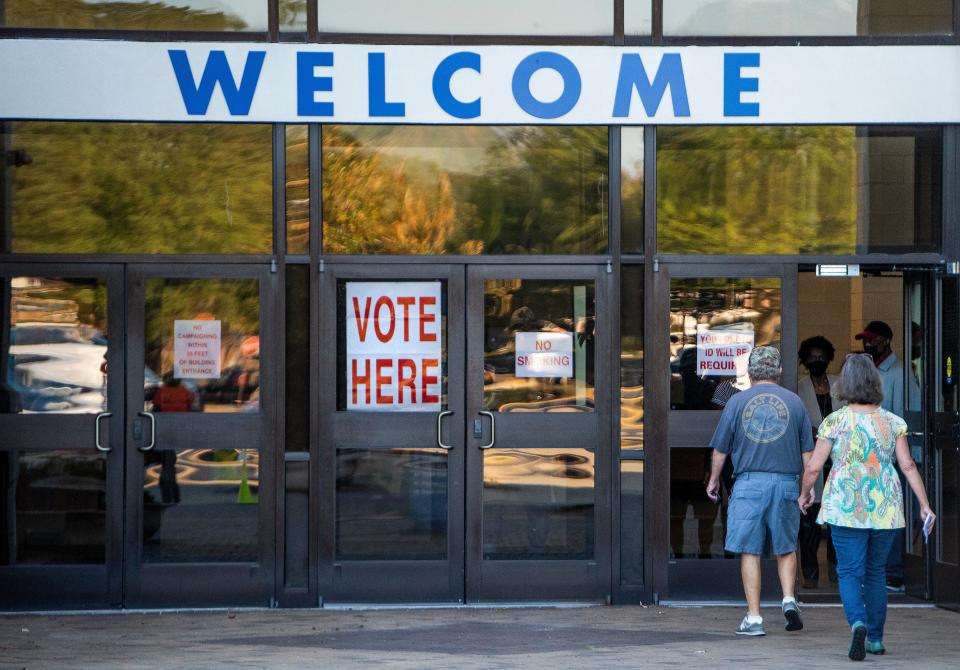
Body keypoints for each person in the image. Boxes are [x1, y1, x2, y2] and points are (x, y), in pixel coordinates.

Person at [800, 353, 935, 661]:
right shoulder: (892, 422)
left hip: (845, 503)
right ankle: (875, 638)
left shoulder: (834, 421)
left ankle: (857, 622)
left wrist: (805, 494)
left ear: (844, 384)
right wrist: (924, 505)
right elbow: (908, 465)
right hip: (884, 505)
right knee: (875, 572)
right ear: (876, 383)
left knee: (848, 570)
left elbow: (814, 466)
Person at [706, 346, 814, 636]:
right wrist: (808, 488)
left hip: (749, 484)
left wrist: (714, 479)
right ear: (778, 371)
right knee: (786, 546)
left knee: (750, 550)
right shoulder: (795, 403)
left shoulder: (737, 402)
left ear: (750, 372)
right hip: (786, 482)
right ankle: (789, 598)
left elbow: (721, 448)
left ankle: (754, 618)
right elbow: (808, 453)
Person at [796, 336, 841, 588]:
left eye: (821, 357)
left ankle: (836, 569)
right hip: (812, 456)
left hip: (837, 458)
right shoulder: (800, 387)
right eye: (812, 357)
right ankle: (810, 573)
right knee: (810, 521)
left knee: (835, 519)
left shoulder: (838, 384)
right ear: (805, 360)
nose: (817, 361)